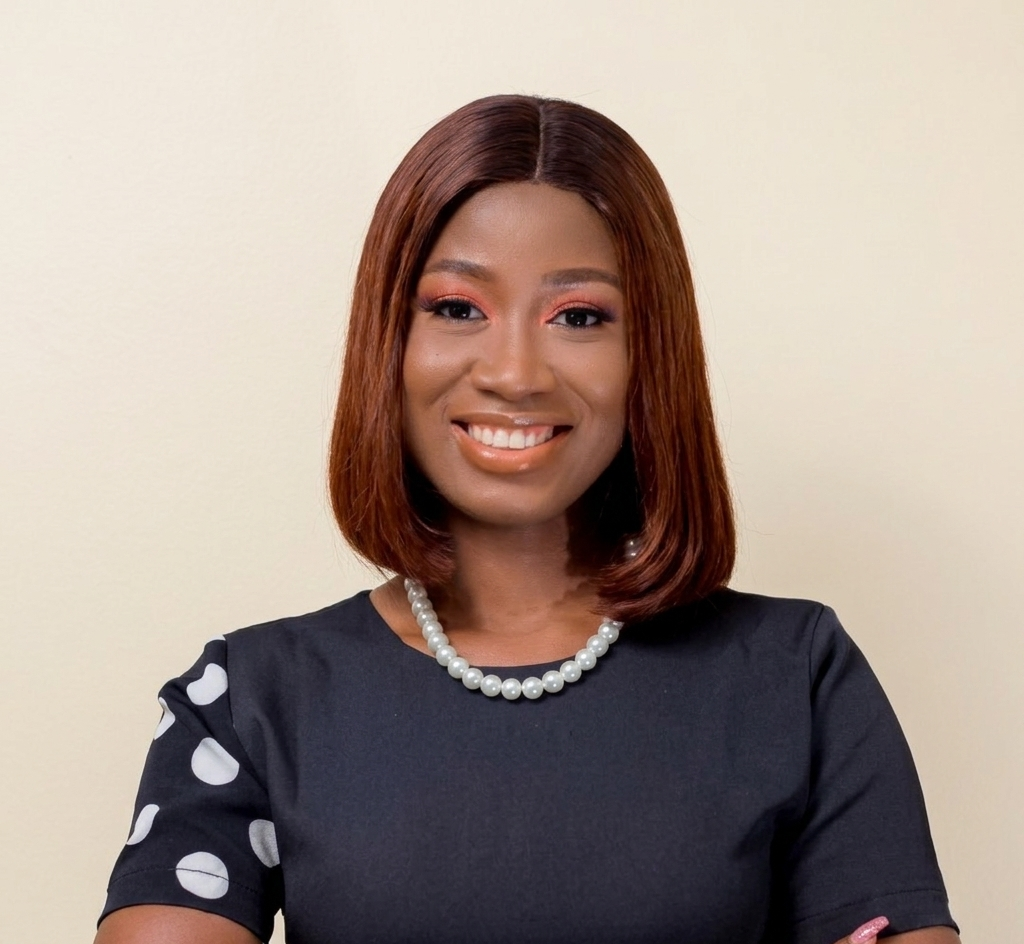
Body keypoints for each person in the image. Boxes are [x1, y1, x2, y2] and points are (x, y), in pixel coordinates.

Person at [94, 95, 960, 944]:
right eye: (456, 308)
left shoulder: (798, 678)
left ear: (650, 355)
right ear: (386, 345)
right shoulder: (246, 700)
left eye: (579, 317)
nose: (514, 372)